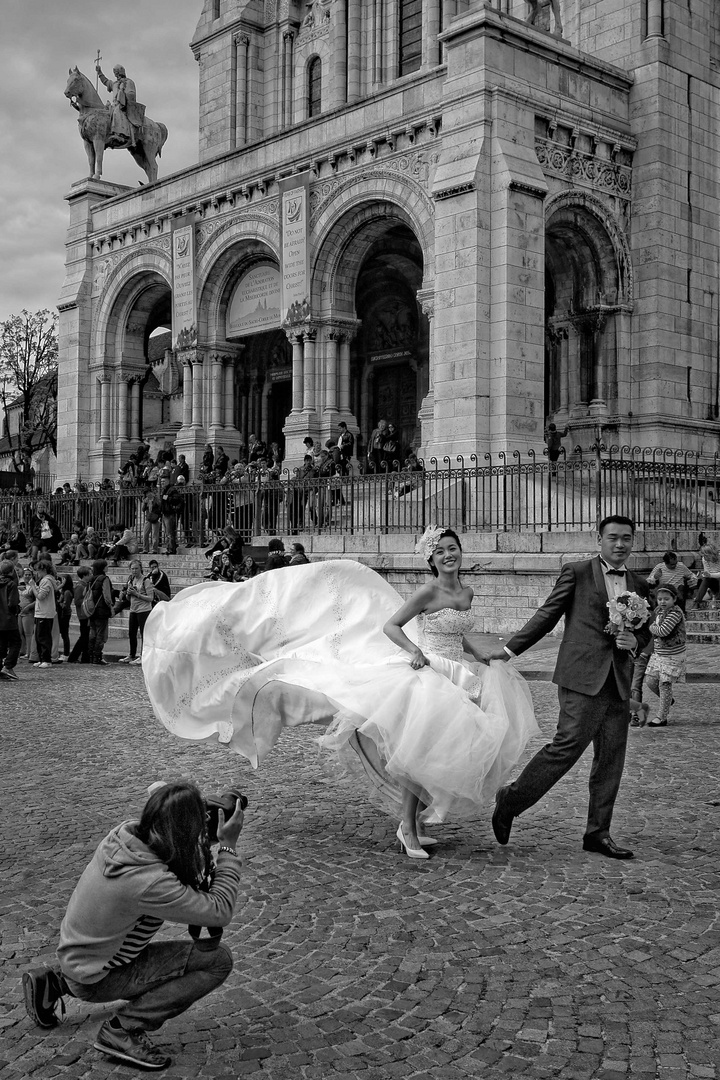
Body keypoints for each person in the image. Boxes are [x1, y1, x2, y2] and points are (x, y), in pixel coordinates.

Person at [142, 540, 537, 857]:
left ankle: (412, 826)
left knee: (440, 752)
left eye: (453, 549)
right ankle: (408, 830)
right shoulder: (427, 591)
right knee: (418, 755)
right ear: (431, 559)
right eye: (441, 551)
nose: (449, 555)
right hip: (427, 673)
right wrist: (414, 652)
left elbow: (454, 632)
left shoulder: (466, 592)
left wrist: (478, 653)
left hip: (458, 675)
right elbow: (391, 626)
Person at [22, 781, 244, 1071]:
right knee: (217, 960)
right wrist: (227, 846)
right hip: (96, 978)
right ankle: (122, 1030)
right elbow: (218, 911)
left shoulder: (128, 835)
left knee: (111, 950)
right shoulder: (148, 881)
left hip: (80, 958)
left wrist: (191, 822)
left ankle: (54, 982)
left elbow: (163, 804)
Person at [489, 515, 652, 860]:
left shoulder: (639, 583)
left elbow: (646, 632)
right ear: (599, 540)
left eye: (626, 538)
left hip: (618, 682)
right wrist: (507, 651)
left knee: (611, 759)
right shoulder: (576, 572)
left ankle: (598, 833)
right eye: (613, 538)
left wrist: (633, 639)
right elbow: (547, 615)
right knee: (565, 749)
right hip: (582, 678)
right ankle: (511, 800)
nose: (620, 544)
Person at [644, 583, 686, 727]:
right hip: (660, 654)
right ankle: (668, 700)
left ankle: (661, 717)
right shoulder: (659, 611)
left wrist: (651, 627)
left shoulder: (675, 613)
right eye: (660, 599)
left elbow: (663, 631)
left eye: (666, 599)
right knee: (650, 680)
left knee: (664, 684)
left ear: (674, 599)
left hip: (672, 655)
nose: (662, 601)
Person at [95, 63, 145, 148]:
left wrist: (123, 95)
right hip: (114, 104)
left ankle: (120, 134)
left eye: (117, 72)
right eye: (115, 73)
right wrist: (100, 73)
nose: (116, 75)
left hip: (123, 105)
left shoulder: (128, 82)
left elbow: (131, 94)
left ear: (121, 72)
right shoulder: (114, 84)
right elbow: (106, 82)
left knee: (117, 112)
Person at [118, 559, 154, 665]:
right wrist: (128, 594)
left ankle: (143, 655)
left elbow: (150, 598)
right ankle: (131, 654)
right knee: (131, 633)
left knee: (144, 634)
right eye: (132, 569)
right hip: (133, 609)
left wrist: (137, 594)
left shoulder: (146, 580)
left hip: (144, 610)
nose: (134, 571)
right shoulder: (131, 580)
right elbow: (129, 598)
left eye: (136, 568)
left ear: (141, 568)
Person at [26, 561, 60, 668]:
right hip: (42, 612)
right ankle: (42, 659)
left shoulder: (46, 581)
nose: (37, 573)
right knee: (39, 636)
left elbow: (40, 596)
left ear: (43, 570)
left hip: (44, 613)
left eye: (38, 570)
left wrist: (33, 586)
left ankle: (46, 659)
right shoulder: (46, 580)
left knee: (43, 637)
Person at [86, 559, 115, 666]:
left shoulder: (91, 578)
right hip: (102, 609)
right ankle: (97, 656)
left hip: (92, 609)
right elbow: (107, 596)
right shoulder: (104, 579)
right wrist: (111, 606)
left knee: (93, 632)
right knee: (101, 634)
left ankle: (91, 655)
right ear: (103, 568)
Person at [0, 558, 21, 680]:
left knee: (1, 644)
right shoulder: (11, 584)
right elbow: (12, 603)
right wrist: (17, 610)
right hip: (8, 619)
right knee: (15, 642)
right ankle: (8, 666)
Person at [67, 567, 92, 664]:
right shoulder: (80, 586)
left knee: (85, 637)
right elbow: (77, 601)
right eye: (90, 574)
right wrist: (88, 600)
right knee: (84, 637)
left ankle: (85, 657)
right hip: (83, 614)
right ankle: (73, 656)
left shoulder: (85, 585)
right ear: (85, 575)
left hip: (85, 614)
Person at [693, 538, 720, 608]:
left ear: (711, 554)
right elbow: (707, 572)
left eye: (706, 555)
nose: (704, 557)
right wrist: (704, 575)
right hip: (713, 581)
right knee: (706, 579)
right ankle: (697, 601)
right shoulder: (704, 559)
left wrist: (710, 575)